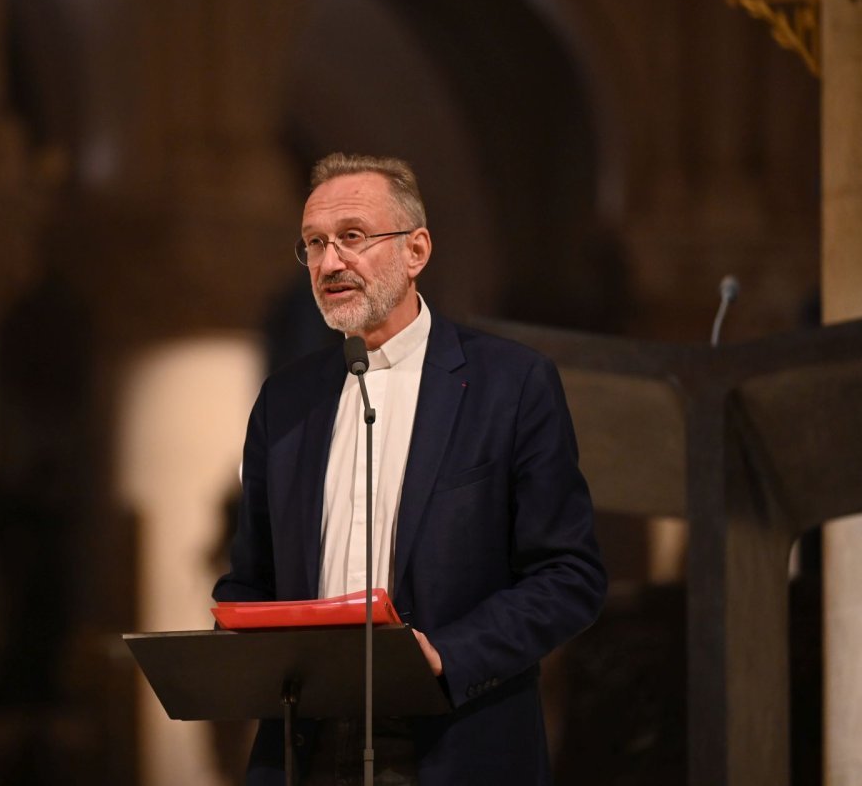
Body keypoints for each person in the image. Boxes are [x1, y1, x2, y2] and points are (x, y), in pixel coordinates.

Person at [213, 153, 607, 785]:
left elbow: (569, 575)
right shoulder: (285, 402)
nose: (330, 262)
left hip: (453, 740)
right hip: (305, 746)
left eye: (352, 237)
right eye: (314, 244)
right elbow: (250, 579)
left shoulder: (510, 384)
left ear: (416, 250)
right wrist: (234, 646)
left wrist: (445, 654)